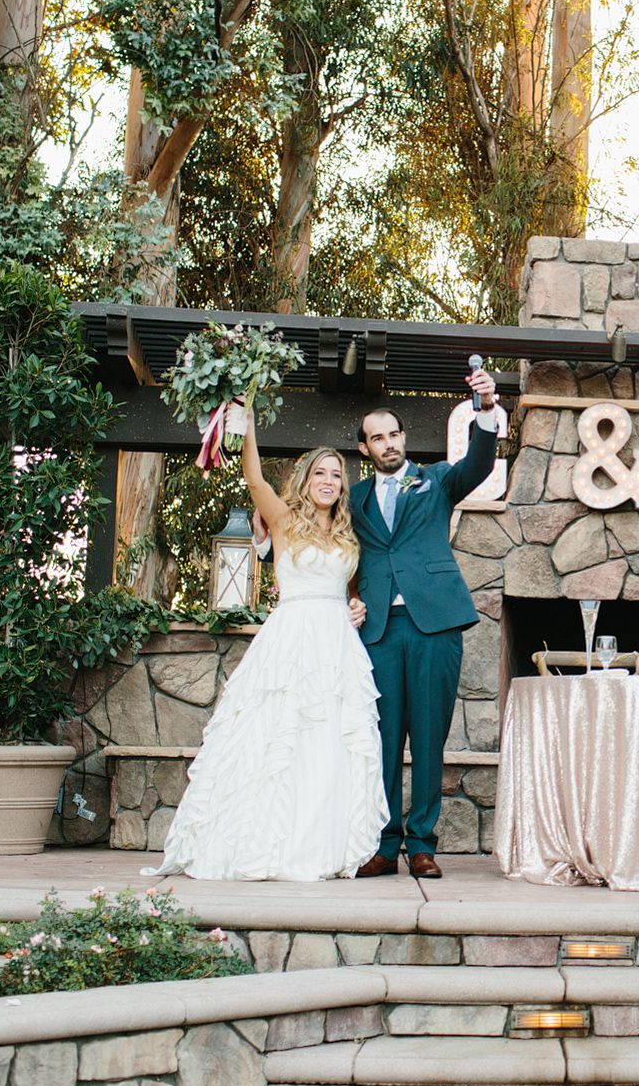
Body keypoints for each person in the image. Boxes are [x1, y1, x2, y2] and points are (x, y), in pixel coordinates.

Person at [144, 414, 385, 881]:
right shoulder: (282, 521)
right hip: (291, 639)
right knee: (278, 737)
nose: (330, 481)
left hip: (337, 647)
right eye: (321, 472)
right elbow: (252, 477)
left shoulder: (348, 533)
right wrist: (247, 420)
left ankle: (319, 843)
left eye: (337, 474)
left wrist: (356, 604)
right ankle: (264, 840)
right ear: (305, 478)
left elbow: (351, 587)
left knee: (331, 742)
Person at [350, 365, 499, 880]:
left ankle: (423, 844)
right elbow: (333, 551)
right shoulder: (354, 499)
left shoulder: (435, 480)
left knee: (429, 736)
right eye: (377, 438)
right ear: (365, 449)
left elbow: (478, 464)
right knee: (385, 738)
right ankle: (386, 844)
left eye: (394, 434)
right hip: (378, 633)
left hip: (434, 624)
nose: (388, 443)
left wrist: (484, 409)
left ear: (404, 438)